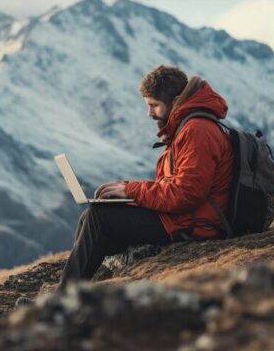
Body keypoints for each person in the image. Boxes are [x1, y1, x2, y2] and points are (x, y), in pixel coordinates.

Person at [57, 64, 234, 290]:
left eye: (154, 106)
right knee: (90, 218)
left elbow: (186, 194)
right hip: (182, 217)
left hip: (197, 224)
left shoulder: (197, 130)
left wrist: (130, 191)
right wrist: (127, 190)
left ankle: (62, 297)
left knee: (98, 218)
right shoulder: (186, 127)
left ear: (176, 100)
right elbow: (175, 187)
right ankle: (76, 289)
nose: (150, 113)